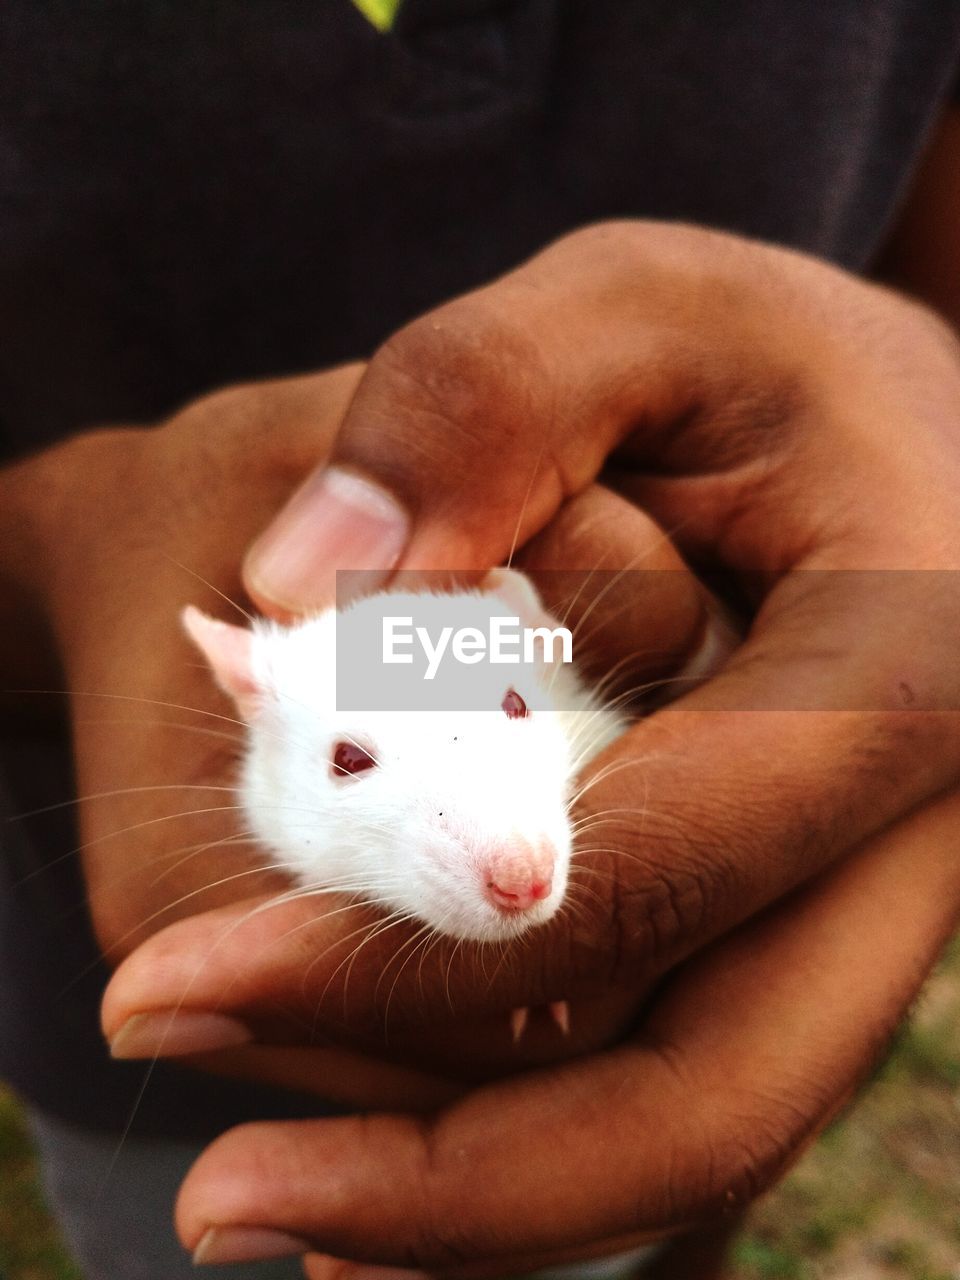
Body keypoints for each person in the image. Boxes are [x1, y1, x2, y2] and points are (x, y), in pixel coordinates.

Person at [2, 4, 960, 1277]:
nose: (510, 864)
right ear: (249, 699)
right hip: (155, 1074)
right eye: (348, 758)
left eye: (513, 708)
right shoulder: (271, 706)